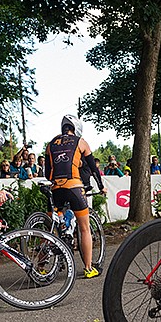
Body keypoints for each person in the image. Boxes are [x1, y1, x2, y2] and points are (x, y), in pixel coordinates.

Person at [45, 114, 106, 279]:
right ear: (77, 128)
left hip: (55, 189)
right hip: (74, 187)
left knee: (50, 231)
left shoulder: (50, 144)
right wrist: (101, 187)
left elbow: (47, 172)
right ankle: (88, 268)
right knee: (84, 228)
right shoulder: (81, 142)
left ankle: (41, 268)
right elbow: (93, 168)